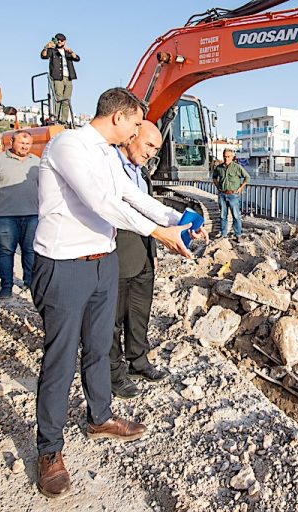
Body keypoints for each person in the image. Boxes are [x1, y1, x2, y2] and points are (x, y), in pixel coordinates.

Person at [32, 87, 207, 499]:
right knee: (60, 356)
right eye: (134, 124)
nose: (135, 133)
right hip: (64, 265)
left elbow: (132, 195)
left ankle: (100, 418)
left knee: (97, 346)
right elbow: (102, 202)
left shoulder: (108, 155)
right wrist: (157, 233)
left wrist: (177, 219)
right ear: (119, 117)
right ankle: (49, 450)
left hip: (102, 263)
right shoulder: (69, 145)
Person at [110, 121, 168, 399]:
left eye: (155, 149)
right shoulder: (109, 167)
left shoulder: (142, 175)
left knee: (139, 314)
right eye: (148, 145)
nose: (150, 153)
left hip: (143, 253)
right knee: (112, 320)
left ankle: (138, 361)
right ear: (132, 136)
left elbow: (150, 214)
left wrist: (153, 251)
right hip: (116, 254)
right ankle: (113, 374)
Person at [0, 130, 39, 298]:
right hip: (5, 216)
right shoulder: (0, 160)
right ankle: (6, 286)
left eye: (28, 143)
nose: (24, 146)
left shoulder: (37, 163)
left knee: (30, 251)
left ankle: (29, 283)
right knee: (5, 252)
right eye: (21, 143)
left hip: (32, 215)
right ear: (11, 142)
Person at [40, 33, 80, 127]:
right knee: (58, 98)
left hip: (68, 77)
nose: (59, 42)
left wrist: (71, 51)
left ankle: (64, 120)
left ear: (64, 42)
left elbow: (77, 58)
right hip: (57, 77)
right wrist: (45, 47)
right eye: (58, 40)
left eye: (61, 40)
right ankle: (56, 118)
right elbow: (43, 56)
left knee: (67, 100)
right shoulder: (52, 51)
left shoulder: (67, 52)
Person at [212, 149, 248, 241]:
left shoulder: (237, 167)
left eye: (228, 157)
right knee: (223, 215)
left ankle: (238, 235)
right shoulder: (219, 167)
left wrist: (240, 188)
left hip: (233, 195)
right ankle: (223, 234)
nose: (226, 158)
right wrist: (218, 187)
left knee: (236, 216)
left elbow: (247, 177)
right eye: (225, 156)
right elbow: (214, 177)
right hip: (222, 195)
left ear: (232, 157)